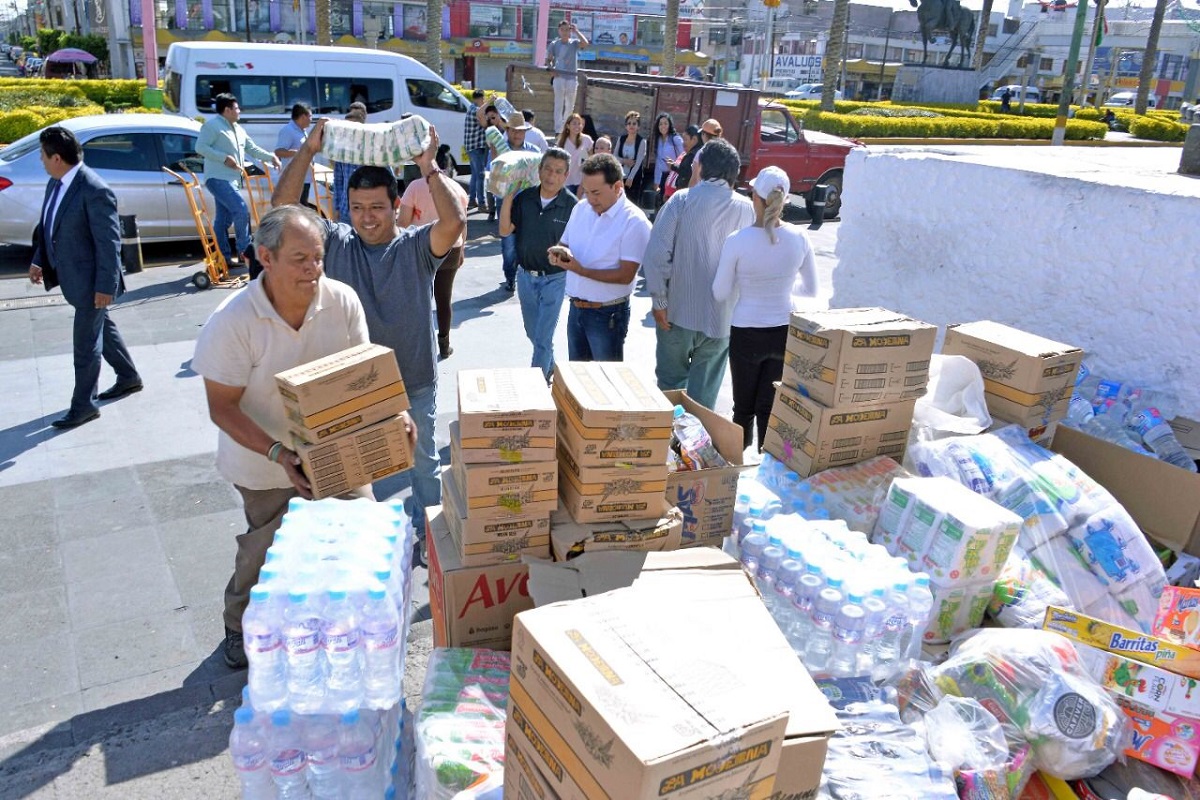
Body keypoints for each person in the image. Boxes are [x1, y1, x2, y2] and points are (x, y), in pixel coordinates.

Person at [192, 205, 416, 669]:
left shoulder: (342, 300)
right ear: (265, 258)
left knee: (359, 531)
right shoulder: (233, 322)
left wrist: (396, 414)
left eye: (318, 257)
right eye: (300, 259)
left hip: (338, 452)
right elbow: (222, 407)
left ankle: (339, 622)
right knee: (268, 549)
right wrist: (279, 454)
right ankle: (239, 624)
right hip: (262, 459)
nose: (313, 269)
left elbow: (364, 373)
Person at [273, 120, 465, 551]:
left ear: (396, 205)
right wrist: (308, 150)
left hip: (413, 379)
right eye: (357, 207)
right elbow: (281, 210)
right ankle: (360, 544)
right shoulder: (337, 242)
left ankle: (431, 541)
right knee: (353, 470)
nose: (366, 218)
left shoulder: (416, 247)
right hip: (354, 390)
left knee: (424, 466)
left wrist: (427, 166)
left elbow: (452, 222)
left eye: (376, 207)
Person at [29, 126, 142, 429]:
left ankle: (84, 406)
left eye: (42, 155)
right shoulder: (56, 183)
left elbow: (109, 243)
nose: (40, 160)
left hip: (93, 282)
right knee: (101, 327)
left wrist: (105, 287)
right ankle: (129, 377)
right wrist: (39, 260)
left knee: (85, 344)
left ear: (56, 158)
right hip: (73, 277)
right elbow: (47, 226)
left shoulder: (94, 189)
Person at [640, 138, 754, 411]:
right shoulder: (747, 209)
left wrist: (659, 302)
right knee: (704, 399)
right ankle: (697, 450)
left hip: (676, 314)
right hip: (722, 319)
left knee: (671, 388)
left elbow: (656, 256)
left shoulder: (681, 200)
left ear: (700, 167)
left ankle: (669, 448)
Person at [712, 167, 818, 451]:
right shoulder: (800, 238)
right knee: (770, 407)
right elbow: (810, 290)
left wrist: (748, 285)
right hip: (784, 331)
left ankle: (736, 464)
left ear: (755, 198)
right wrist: (779, 287)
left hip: (747, 330)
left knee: (742, 408)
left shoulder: (737, 240)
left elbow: (720, 293)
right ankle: (768, 465)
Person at [549, 153, 652, 362]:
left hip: (608, 315)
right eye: (586, 192)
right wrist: (558, 254)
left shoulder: (635, 222)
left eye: (595, 193)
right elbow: (564, 244)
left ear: (617, 187)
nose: (590, 199)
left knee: (607, 384)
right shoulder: (581, 208)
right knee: (578, 381)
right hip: (576, 308)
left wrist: (580, 269)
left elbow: (625, 276)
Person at [500, 148, 577, 382]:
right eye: (548, 169)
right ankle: (550, 365)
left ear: (566, 176)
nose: (551, 176)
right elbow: (504, 230)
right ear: (539, 169)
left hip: (554, 279)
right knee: (532, 333)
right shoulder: (525, 198)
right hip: (525, 277)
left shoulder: (572, 206)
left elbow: (579, 246)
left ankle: (536, 386)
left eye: (558, 172)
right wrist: (508, 199)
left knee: (543, 338)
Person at [399, 144, 470, 360]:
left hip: (421, 247)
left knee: (419, 298)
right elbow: (462, 224)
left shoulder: (414, 187)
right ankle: (444, 344)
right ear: (448, 167)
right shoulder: (457, 189)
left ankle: (419, 344)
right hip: (452, 248)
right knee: (443, 298)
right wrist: (462, 249)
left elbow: (402, 223)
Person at [197, 93, 280, 271]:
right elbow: (200, 147)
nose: (239, 111)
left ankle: (223, 258)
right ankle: (245, 252)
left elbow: (252, 148)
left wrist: (271, 157)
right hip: (217, 178)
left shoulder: (238, 129)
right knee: (241, 210)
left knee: (223, 221)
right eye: (236, 108)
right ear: (227, 110)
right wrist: (223, 158)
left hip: (233, 180)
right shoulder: (212, 126)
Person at [495, 111, 541, 292]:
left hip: (529, 202)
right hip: (507, 202)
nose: (517, 134)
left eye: (520, 131)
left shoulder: (534, 151)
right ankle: (509, 275)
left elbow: (540, 176)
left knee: (527, 242)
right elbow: (491, 176)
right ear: (508, 131)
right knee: (508, 245)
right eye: (513, 130)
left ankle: (521, 276)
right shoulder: (500, 150)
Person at [546, 20, 589, 132]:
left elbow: (585, 43)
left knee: (570, 105)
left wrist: (577, 31)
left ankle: (566, 129)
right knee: (559, 104)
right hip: (559, 77)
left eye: (567, 29)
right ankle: (558, 131)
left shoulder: (574, 43)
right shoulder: (554, 44)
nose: (565, 32)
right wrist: (551, 70)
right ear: (559, 31)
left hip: (572, 78)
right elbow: (548, 60)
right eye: (562, 30)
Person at [332, 104, 367, 223]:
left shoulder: (373, 149)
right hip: (346, 211)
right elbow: (338, 181)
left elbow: (389, 178)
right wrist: (337, 208)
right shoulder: (341, 150)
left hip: (367, 211)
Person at [274, 102, 313, 205]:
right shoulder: (288, 130)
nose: (311, 119)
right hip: (294, 180)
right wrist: (297, 153)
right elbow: (278, 151)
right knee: (295, 210)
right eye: (310, 116)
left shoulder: (302, 131)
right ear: (303, 116)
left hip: (305, 179)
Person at [464, 88, 489, 211]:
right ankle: (482, 203)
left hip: (472, 147)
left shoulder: (472, 108)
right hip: (475, 147)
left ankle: (472, 200)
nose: (484, 101)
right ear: (479, 99)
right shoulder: (474, 109)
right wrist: (491, 101)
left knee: (475, 175)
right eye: (483, 99)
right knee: (480, 175)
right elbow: (481, 118)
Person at [615, 111, 649, 205]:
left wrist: (631, 178)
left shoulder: (641, 142)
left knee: (631, 203)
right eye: (629, 123)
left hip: (633, 178)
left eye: (634, 123)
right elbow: (614, 156)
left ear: (638, 127)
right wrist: (624, 161)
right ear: (626, 126)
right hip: (620, 176)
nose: (631, 126)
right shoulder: (621, 139)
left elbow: (638, 162)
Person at [557, 112, 593, 195]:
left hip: (582, 179)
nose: (577, 126)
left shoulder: (586, 139)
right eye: (574, 124)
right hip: (566, 179)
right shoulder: (562, 141)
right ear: (568, 126)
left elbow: (592, 157)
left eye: (579, 124)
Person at [651, 112, 684, 201]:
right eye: (660, 124)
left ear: (670, 125)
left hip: (674, 176)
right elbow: (658, 161)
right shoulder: (659, 140)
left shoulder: (675, 139)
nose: (663, 126)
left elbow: (684, 156)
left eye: (665, 123)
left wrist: (675, 165)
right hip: (664, 177)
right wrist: (656, 181)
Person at [689, 118, 724, 188]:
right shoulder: (725, 153)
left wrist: (689, 196)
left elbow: (694, 179)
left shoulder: (702, 152)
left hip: (702, 192)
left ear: (704, 134)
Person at [672, 124, 702, 190]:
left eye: (685, 139)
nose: (683, 143)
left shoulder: (693, 155)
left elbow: (686, 172)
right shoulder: (694, 153)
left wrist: (673, 166)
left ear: (694, 139)